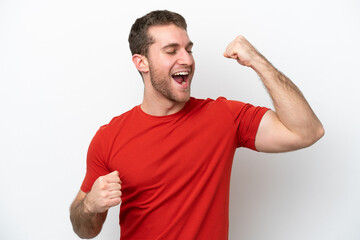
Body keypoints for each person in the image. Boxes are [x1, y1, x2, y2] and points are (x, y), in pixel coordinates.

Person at [70, 10, 324, 240]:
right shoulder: (109, 137)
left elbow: (307, 131)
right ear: (141, 62)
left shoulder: (225, 116)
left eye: (189, 50)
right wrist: (90, 205)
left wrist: (258, 61)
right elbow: (85, 230)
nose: (187, 60)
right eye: (172, 51)